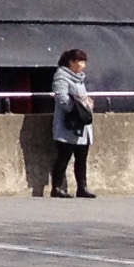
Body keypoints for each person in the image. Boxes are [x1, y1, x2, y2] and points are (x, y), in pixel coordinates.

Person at [46, 48, 97, 198]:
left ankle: (82, 187)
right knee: (64, 156)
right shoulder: (61, 77)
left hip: (81, 125)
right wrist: (78, 107)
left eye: (84, 62)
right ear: (71, 62)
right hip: (68, 124)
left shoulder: (79, 78)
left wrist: (86, 103)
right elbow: (61, 98)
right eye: (80, 61)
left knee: (81, 158)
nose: (83, 65)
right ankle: (56, 188)